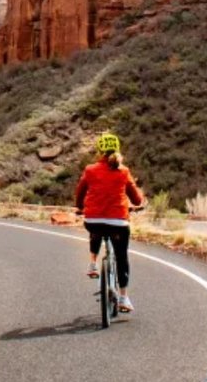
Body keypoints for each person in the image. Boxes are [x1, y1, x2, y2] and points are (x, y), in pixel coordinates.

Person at [74, 131, 145, 313]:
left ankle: (93, 263)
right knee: (122, 257)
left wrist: (80, 207)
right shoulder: (124, 171)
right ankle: (123, 298)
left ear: (99, 151)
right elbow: (136, 198)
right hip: (118, 222)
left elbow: (80, 192)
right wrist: (138, 203)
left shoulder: (90, 170)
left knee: (96, 230)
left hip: (93, 220)